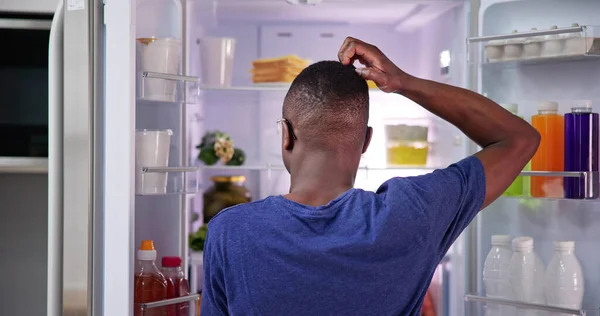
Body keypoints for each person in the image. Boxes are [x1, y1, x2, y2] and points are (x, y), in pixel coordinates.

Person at [200, 37, 540, 316]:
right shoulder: (412, 214)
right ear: (366, 142)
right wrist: (403, 82)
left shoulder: (230, 232)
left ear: (286, 136)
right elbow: (519, 139)